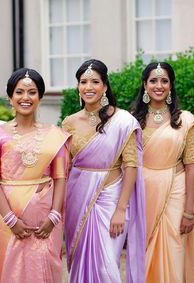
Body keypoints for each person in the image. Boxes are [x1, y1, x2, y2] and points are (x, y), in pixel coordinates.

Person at [62, 59, 145, 282]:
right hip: (77, 198)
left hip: (111, 199)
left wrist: (121, 209)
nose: (89, 87)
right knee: (79, 262)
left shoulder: (123, 121)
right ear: (78, 87)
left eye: (95, 82)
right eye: (83, 82)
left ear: (105, 86)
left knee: (107, 266)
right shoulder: (69, 122)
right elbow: (64, 168)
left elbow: (130, 165)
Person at [0, 68, 70, 282]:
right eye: (19, 92)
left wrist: (54, 216)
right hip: (7, 219)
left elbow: (60, 178)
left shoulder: (54, 134)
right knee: (10, 272)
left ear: (40, 96)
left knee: (44, 270)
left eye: (32, 92)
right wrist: (11, 219)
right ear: (10, 98)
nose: (25, 97)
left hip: (45, 220)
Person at [131, 62, 194, 282]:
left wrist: (189, 211)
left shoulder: (185, 120)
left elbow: (192, 165)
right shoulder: (132, 120)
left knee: (174, 247)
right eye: (153, 80)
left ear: (171, 86)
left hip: (175, 191)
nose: (158, 85)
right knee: (144, 250)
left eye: (164, 80)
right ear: (145, 85)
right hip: (142, 193)